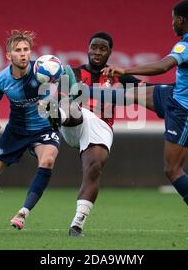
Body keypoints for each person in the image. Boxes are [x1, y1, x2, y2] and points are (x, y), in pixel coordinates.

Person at [102, 0, 188, 240]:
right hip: (176, 94)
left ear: (181, 20)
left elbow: (162, 66)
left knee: (172, 170)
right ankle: (91, 92)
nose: (171, 24)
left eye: (172, 19)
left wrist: (125, 69)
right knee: (133, 93)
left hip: (186, 110)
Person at [48, 32, 146, 237]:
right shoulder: (72, 73)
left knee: (94, 169)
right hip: (74, 123)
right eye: (94, 47)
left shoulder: (120, 77)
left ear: (110, 52)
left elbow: (149, 91)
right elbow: (62, 96)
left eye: (103, 48)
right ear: (88, 48)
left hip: (101, 127)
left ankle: (76, 225)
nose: (97, 52)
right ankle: (58, 114)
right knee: (73, 107)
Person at [0, 30, 61, 230]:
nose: (24, 54)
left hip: (44, 128)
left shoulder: (44, 71)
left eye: (26, 49)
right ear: (9, 56)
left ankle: (23, 213)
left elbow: (67, 82)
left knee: (47, 160)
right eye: (18, 50)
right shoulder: (2, 78)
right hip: (15, 131)